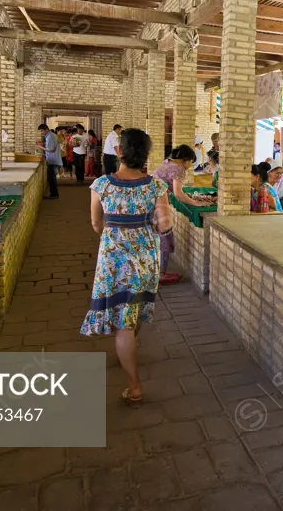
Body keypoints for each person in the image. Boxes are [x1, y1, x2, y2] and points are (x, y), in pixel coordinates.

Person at [81, 128, 172, 407]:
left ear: (118, 151)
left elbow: (97, 224)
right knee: (134, 311)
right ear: (145, 153)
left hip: (113, 258)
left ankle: (134, 388)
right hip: (146, 257)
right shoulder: (156, 186)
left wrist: (116, 236)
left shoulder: (102, 185)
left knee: (123, 321)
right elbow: (165, 224)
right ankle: (128, 347)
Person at [37, 124, 62, 199]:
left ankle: (54, 194)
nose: (41, 133)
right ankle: (54, 193)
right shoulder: (52, 135)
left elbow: (51, 149)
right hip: (55, 159)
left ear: (46, 129)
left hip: (52, 160)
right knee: (52, 178)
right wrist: (44, 144)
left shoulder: (50, 136)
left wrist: (41, 147)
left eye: (42, 131)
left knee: (52, 179)